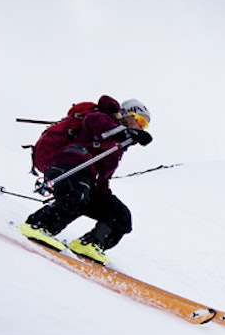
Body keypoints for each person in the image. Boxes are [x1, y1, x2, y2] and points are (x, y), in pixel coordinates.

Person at [19, 94, 153, 264]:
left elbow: (103, 178)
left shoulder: (116, 148)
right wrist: (126, 132)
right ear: (127, 115)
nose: (142, 128)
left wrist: (105, 199)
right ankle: (39, 226)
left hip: (85, 177)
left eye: (145, 125)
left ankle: (90, 244)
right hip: (67, 164)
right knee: (77, 197)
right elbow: (99, 127)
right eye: (141, 122)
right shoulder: (100, 117)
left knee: (120, 214)